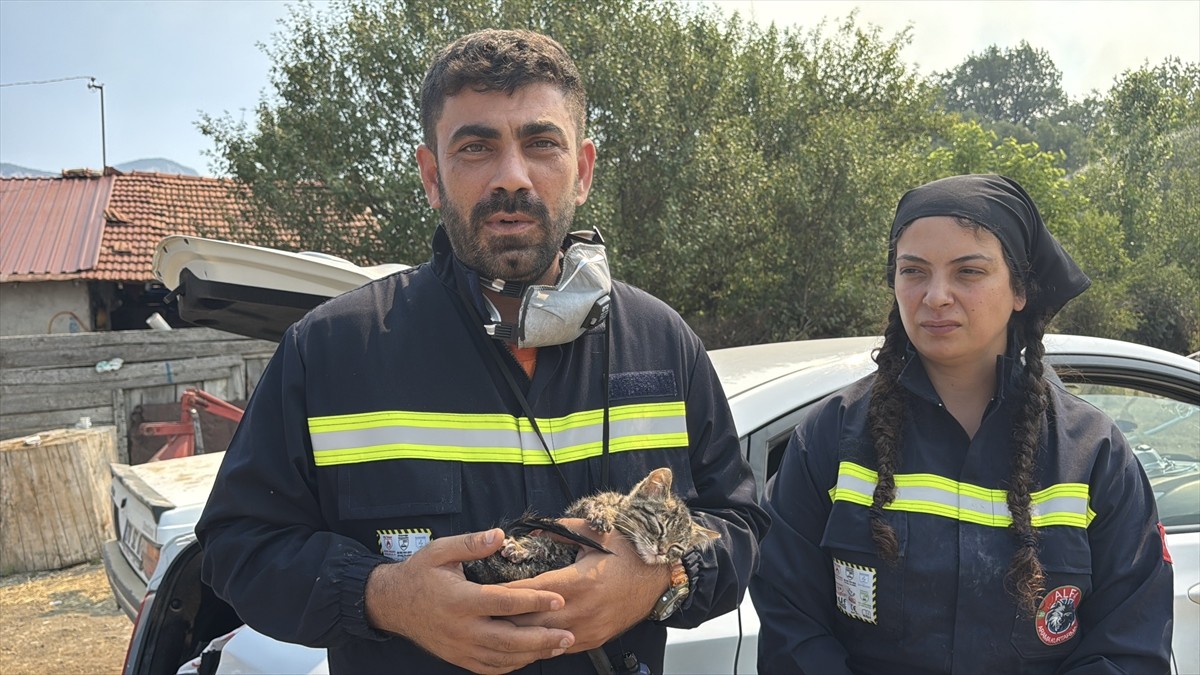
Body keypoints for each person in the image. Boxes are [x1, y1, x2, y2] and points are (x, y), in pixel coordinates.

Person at [196, 28, 767, 675]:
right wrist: (383, 596)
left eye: (541, 143)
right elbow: (237, 545)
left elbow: (740, 520)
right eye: (476, 147)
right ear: (431, 175)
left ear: (581, 170)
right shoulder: (327, 351)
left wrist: (659, 577)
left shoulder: (664, 342)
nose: (511, 177)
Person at [751, 174, 1174, 673]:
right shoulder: (830, 437)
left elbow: (1129, 647)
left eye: (968, 272)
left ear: (1020, 289)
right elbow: (791, 627)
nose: (936, 296)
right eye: (914, 271)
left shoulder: (1093, 453)